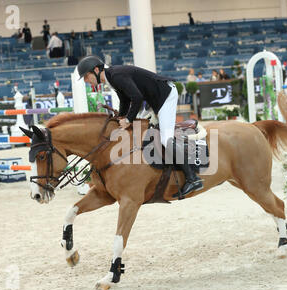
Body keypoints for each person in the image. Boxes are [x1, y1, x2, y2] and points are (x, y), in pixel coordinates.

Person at [77, 55, 204, 197]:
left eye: (86, 76)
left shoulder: (116, 75)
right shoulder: (111, 77)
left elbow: (136, 97)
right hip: (155, 99)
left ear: (95, 70)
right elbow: (125, 99)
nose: (86, 81)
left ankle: (193, 178)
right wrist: (120, 117)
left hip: (165, 96)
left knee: (165, 139)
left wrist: (128, 120)